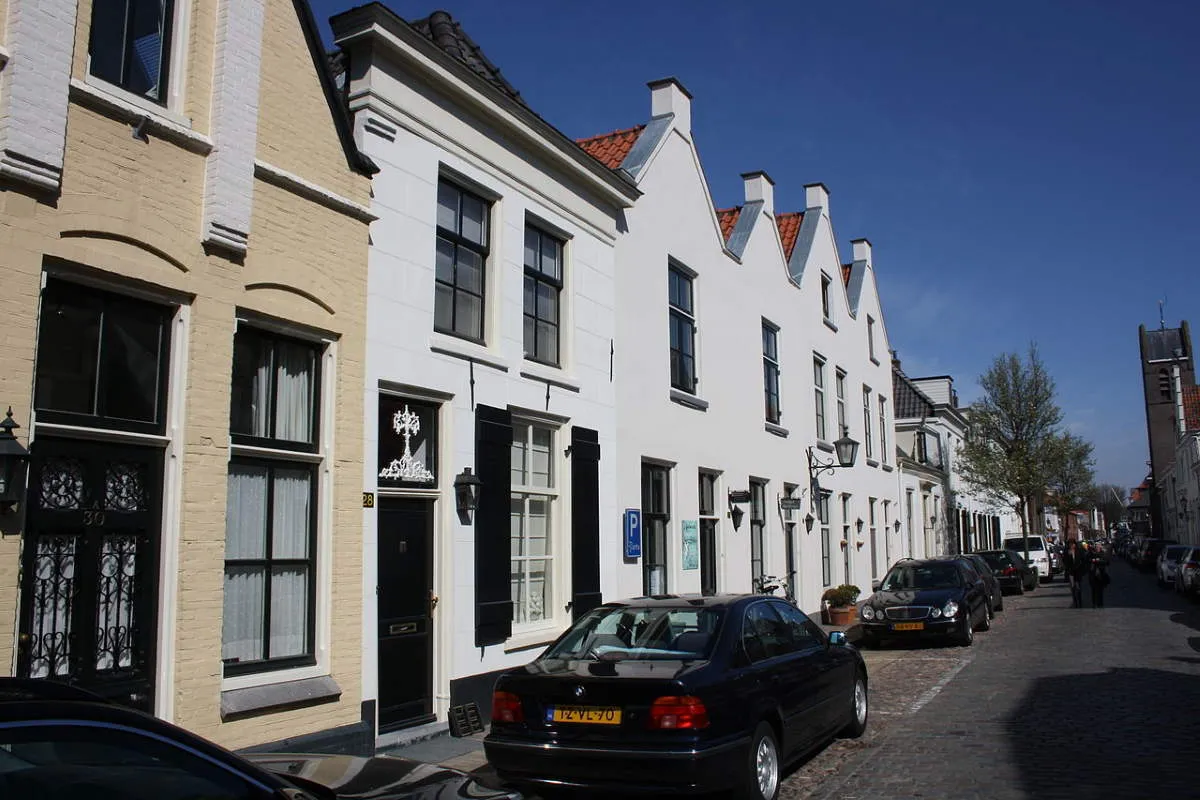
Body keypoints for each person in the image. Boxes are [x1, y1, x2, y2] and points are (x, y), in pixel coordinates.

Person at [1061, 539, 1090, 608]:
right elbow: (1065, 562)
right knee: (1073, 587)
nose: (1071, 546)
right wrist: (1068, 556)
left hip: (1078, 571)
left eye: (1072, 544)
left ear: (1075, 545)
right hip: (1071, 572)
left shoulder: (1079, 551)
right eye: (1070, 545)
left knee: (1079, 587)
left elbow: (1084, 560)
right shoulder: (1067, 552)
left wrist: (1083, 569)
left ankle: (1080, 602)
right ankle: (1075, 602)